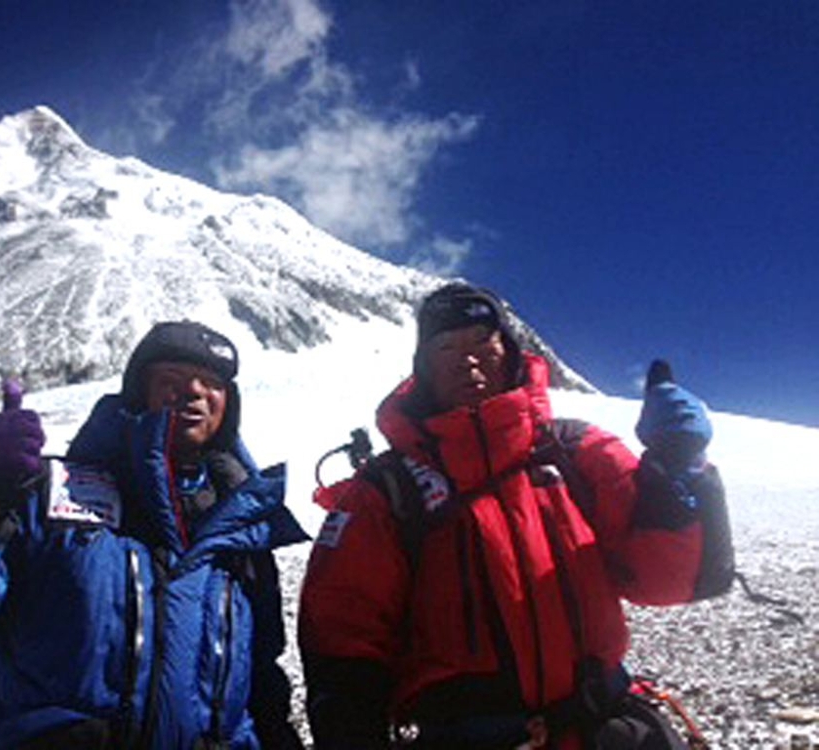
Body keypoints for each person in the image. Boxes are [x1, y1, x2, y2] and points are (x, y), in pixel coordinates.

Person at [298, 283, 733, 750]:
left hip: (597, 728)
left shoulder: (578, 451)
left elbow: (668, 580)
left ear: (509, 352)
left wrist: (678, 472)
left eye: (483, 342)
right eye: (447, 347)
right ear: (423, 368)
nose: (468, 360)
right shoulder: (385, 490)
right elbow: (344, 634)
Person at [0, 320, 308, 750]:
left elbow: (260, 677)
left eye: (212, 383)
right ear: (137, 391)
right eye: (172, 376)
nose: (194, 390)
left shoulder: (243, 533)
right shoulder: (49, 496)